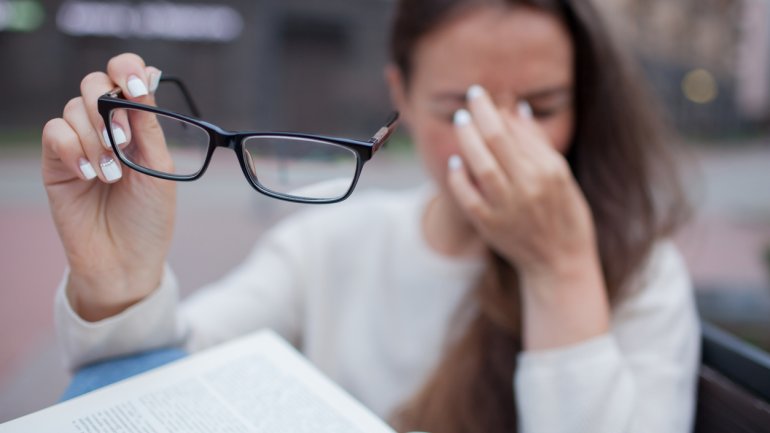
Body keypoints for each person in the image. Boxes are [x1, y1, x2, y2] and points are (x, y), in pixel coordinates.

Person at [41, 0, 699, 432]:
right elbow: (167, 384)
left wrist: (560, 269)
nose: (500, 142)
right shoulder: (330, 242)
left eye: (542, 105)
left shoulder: (638, 272)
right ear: (401, 100)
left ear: (586, 103)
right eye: (459, 112)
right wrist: (121, 278)